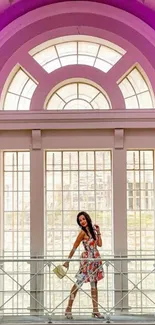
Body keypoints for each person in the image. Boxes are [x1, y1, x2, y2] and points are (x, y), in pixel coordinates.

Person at [63, 211, 104, 319]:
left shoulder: (94, 230)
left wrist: (99, 232)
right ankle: (68, 308)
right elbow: (74, 247)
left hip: (95, 259)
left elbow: (99, 244)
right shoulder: (82, 233)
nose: (82, 221)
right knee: (79, 282)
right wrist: (68, 261)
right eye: (80, 220)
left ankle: (95, 310)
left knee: (94, 285)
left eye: (83, 219)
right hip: (86, 261)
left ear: (87, 218)